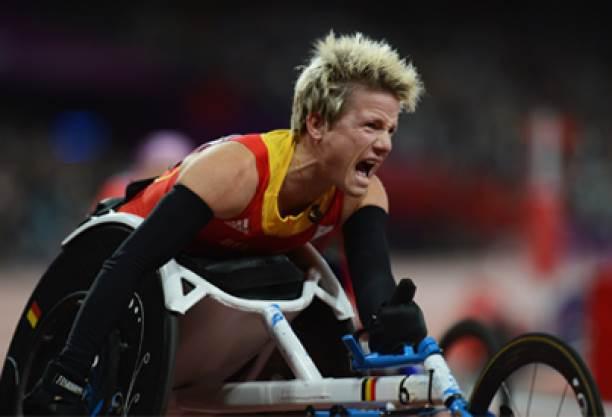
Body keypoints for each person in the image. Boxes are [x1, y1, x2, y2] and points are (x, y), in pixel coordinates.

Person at [24, 31, 427, 415]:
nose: (386, 144)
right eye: (371, 126)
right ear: (317, 124)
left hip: (226, 276)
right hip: (136, 246)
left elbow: (374, 284)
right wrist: (70, 371)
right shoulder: (238, 171)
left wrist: (391, 318)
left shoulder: (363, 193)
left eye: (390, 129)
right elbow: (128, 263)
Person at [93, 130, 193, 203]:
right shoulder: (120, 188)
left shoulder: (189, 195)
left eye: (171, 169)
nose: (163, 174)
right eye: (157, 166)